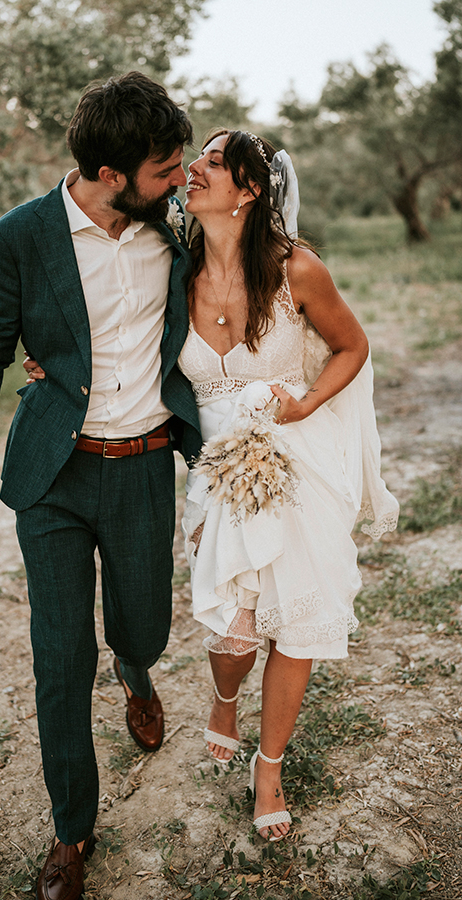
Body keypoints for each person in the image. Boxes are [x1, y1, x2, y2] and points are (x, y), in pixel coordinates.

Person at [0, 72, 201, 900]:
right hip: (52, 474)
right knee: (59, 658)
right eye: (165, 169)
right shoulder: (20, 236)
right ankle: (71, 832)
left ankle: (136, 669)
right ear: (110, 172)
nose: (179, 181)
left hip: (143, 467)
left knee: (145, 625)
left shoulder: (177, 234)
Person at [176, 129, 399, 842]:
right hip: (216, 468)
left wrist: (303, 403)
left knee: (295, 623)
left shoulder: (296, 268)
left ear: (249, 191)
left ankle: (268, 767)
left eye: (213, 162)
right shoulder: (172, 271)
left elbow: (352, 346)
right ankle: (223, 698)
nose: (194, 169)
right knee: (231, 629)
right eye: (197, 159)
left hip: (296, 458)